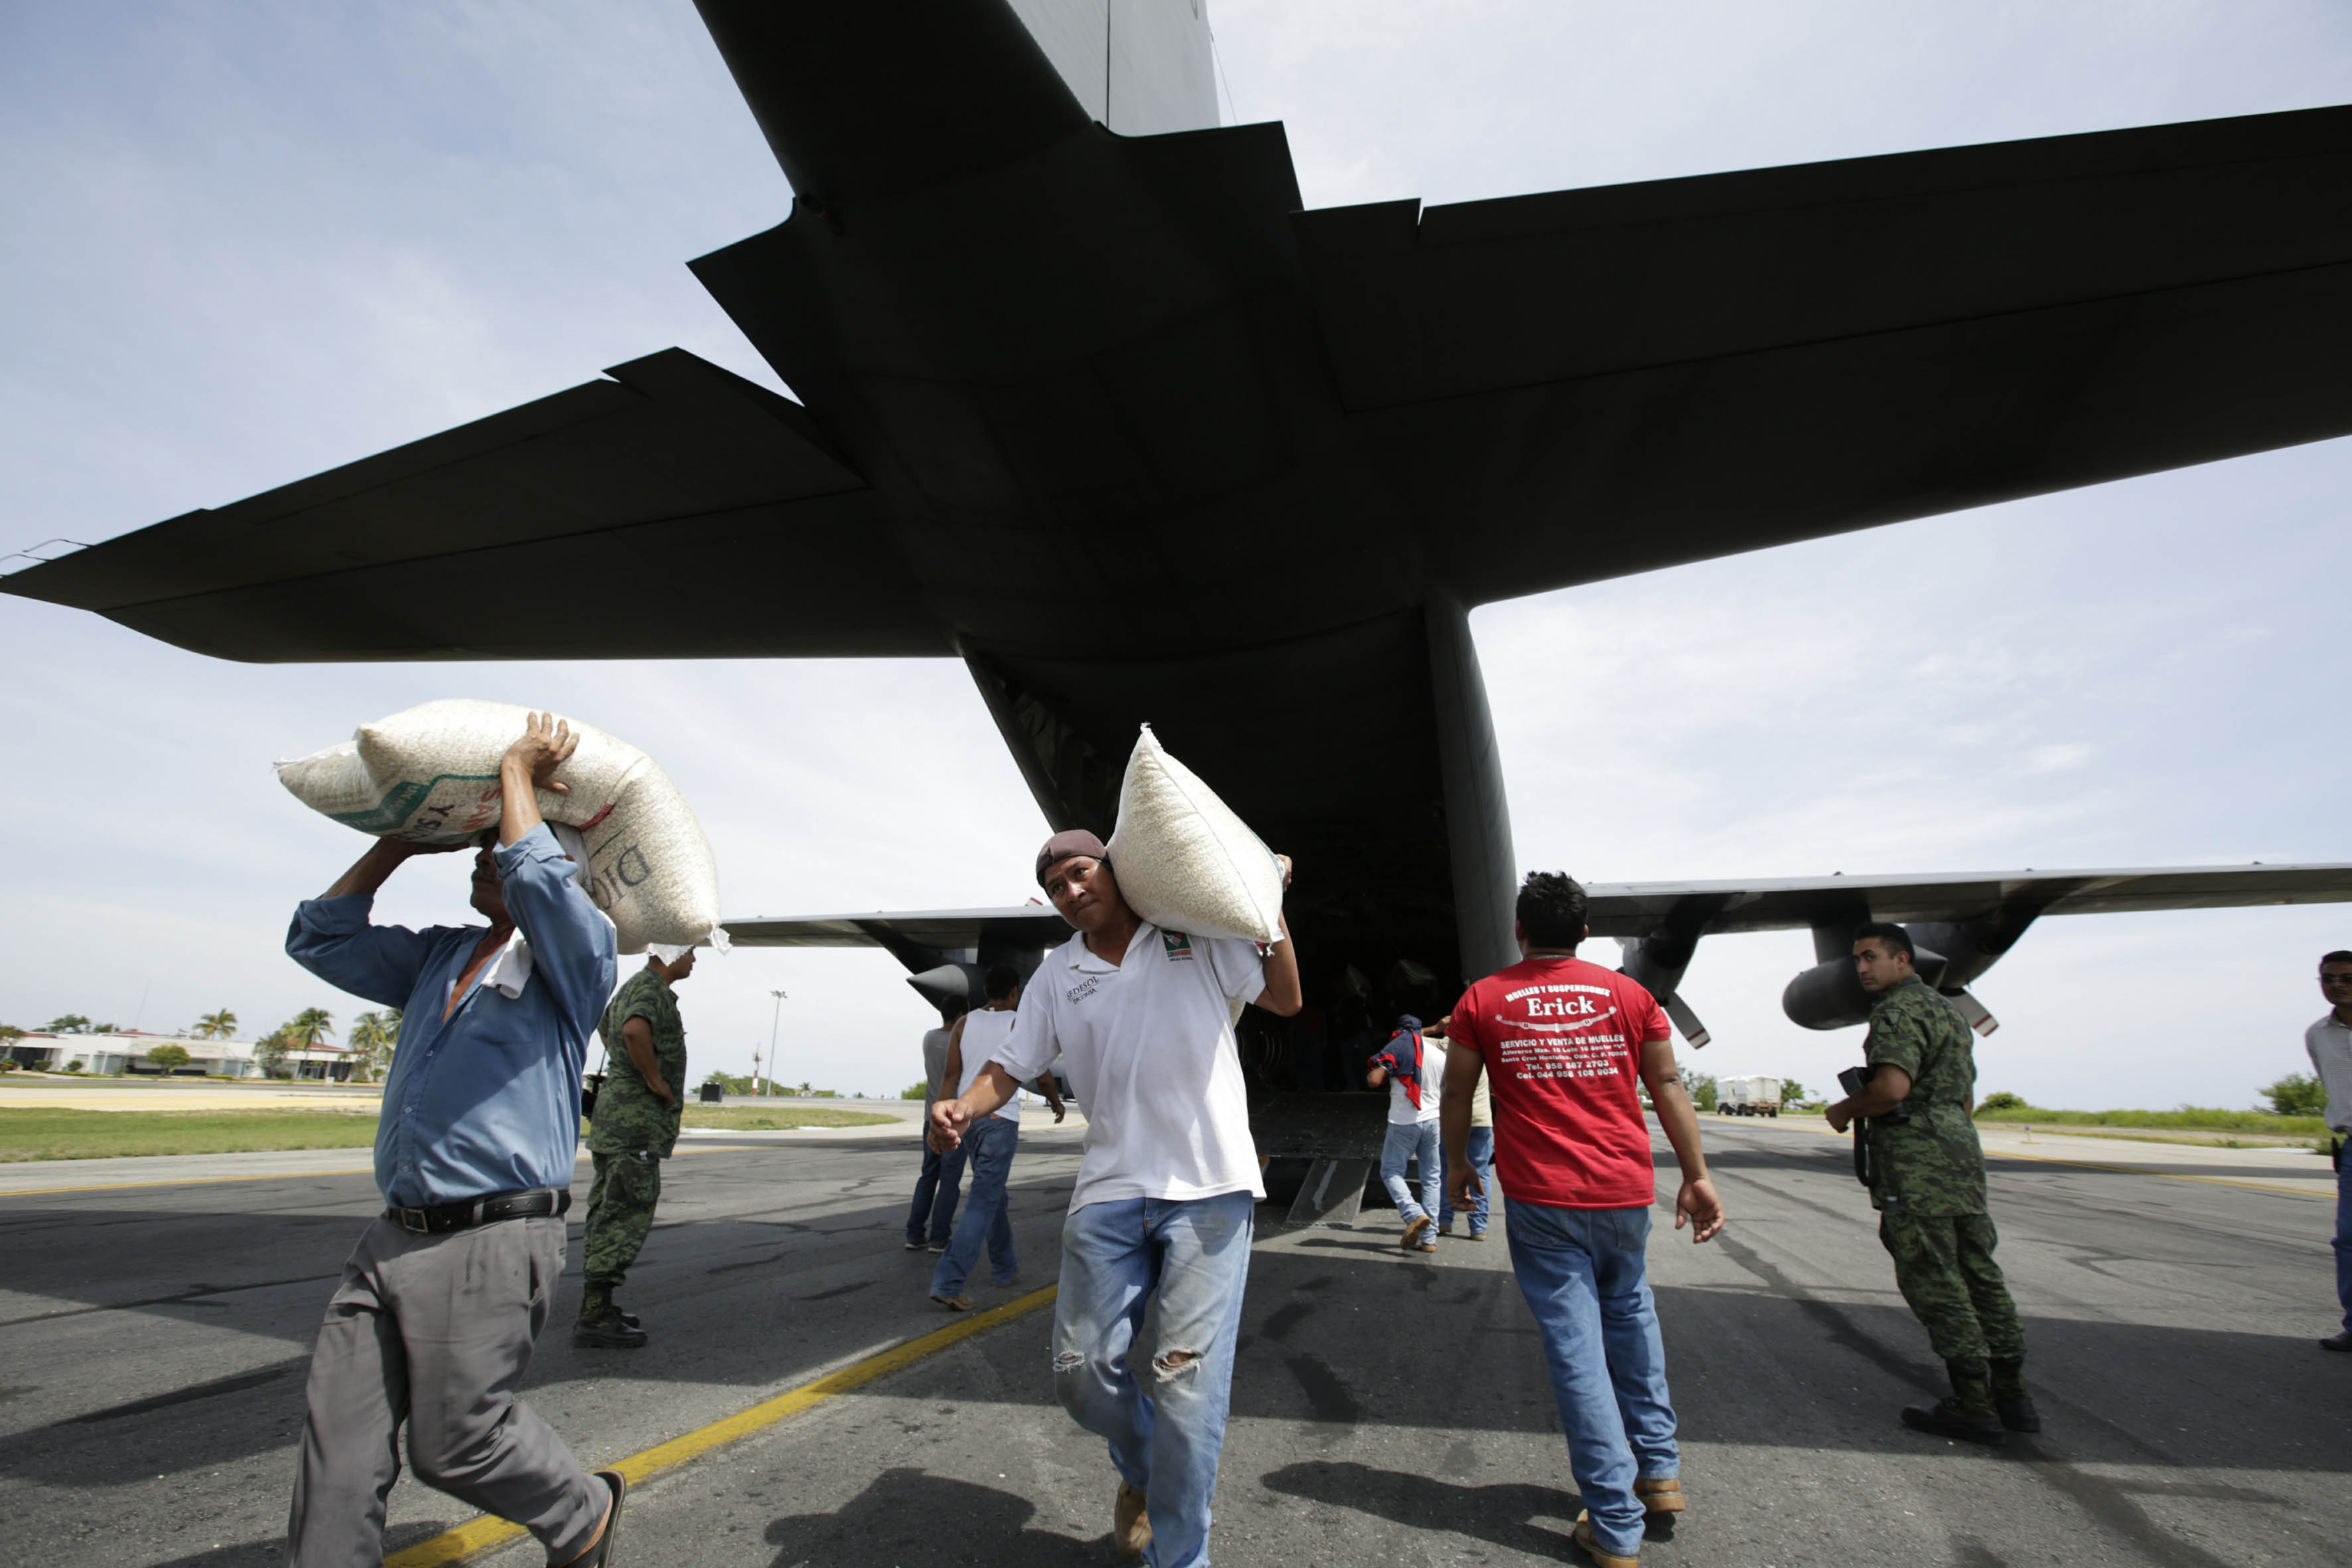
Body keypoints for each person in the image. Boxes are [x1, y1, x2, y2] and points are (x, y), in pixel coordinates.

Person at [281, 712, 626, 1568]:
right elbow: (318, 937)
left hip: (491, 1235)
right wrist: (397, 844)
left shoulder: (575, 964)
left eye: (503, 849)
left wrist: (517, 770)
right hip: (392, 1233)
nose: (488, 855)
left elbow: (541, 886)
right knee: (337, 1448)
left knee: (457, 1445)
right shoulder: (442, 956)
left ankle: (582, 1513)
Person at [930, 829, 1301, 1568]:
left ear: (1115, 869)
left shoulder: (1192, 936)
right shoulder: (1055, 975)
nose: (1072, 892)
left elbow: (1286, 998)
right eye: (1057, 886)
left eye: (1080, 873)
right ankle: (1146, 1471)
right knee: (1082, 1376)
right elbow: (1009, 1066)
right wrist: (965, 1107)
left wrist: (1268, 904)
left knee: (1187, 1386)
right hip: (1109, 1189)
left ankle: (1180, 1554)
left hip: (1209, 1185)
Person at [1443, 872, 1723, 1568]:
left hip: (1544, 1201)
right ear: (1586, 932)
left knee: (1576, 1350)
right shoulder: (1631, 995)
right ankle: (1657, 1472)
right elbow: (1665, 1084)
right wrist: (1697, 1175)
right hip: (1625, 1195)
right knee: (1630, 1316)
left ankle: (1614, 1522)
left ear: (1520, 930)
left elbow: (1457, 1087)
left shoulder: (1485, 998)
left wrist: (1456, 1163)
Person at [1826, 921, 2037, 1444]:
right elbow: (1964, 1095)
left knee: (1934, 1280)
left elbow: (1891, 1089)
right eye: (1857, 960)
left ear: (1903, 961)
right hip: (1959, 1154)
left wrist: (1846, 1108)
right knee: (1980, 1274)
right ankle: (2013, 1396)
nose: (1862, 969)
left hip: (1916, 1165)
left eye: (1871, 957)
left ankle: (1971, 1402)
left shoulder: (1897, 1012)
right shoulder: (1949, 1011)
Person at [575, 942, 697, 1348]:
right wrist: (652, 1080)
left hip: (615, 1122)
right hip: (635, 1127)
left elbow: (606, 1024)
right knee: (625, 1212)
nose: (693, 961)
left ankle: (599, 1305)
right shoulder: (650, 990)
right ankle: (594, 1315)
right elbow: (631, 1029)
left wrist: (627, 1067)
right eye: (691, 953)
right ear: (672, 954)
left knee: (606, 1208)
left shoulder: (634, 986)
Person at [929, 963, 1066, 1309]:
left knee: (993, 1195)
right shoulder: (1018, 1022)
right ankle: (949, 1280)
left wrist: (949, 1115)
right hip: (1000, 1119)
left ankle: (1005, 1267)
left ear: (985, 991)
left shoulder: (964, 1022)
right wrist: (1054, 1101)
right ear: (1015, 993)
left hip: (968, 1119)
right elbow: (1042, 1071)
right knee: (984, 1199)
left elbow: (951, 1074)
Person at [2304, 950, 2352, 1351]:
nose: (2337, 984)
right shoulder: (2317, 1034)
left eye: (2347, 978)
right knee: (2348, 1239)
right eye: (2329, 978)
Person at [1368, 1014, 1443, 1253]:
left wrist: (1379, 1071)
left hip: (1404, 1122)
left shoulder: (1399, 1047)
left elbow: (1374, 1080)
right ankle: (1429, 1240)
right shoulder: (1440, 1056)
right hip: (1433, 1120)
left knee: (1390, 1171)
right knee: (1431, 1178)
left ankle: (1414, 1213)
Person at [906, 998, 972, 1252]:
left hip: (930, 1118)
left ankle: (914, 1234)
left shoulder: (929, 1038)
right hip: (954, 1119)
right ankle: (939, 1237)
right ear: (959, 1015)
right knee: (949, 1180)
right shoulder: (960, 1043)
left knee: (928, 1176)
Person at [1433, 1015, 1494, 1240]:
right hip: (1482, 1120)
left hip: (1454, 1119)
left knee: (1447, 1169)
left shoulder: (1446, 1045)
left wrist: (1434, 1028)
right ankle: (1478, 1228)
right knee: (1482, 1172)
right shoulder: (1485, 1046)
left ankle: (1444, 1221)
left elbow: (1406, 1038)